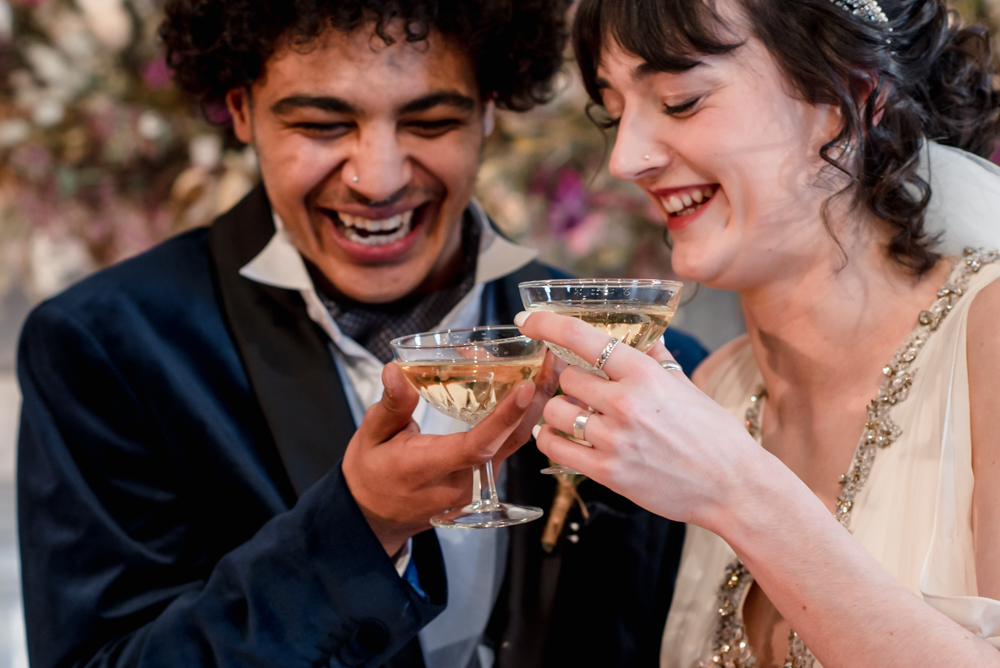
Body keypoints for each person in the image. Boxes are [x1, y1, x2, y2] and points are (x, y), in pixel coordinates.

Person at [16, 1, 708, 667]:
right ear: (241, 112)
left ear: (490, 110)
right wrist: (361, 526)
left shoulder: (643, 359)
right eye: (320, 125)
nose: (377, 180)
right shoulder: (103, 348)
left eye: (432, 121)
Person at [517, 0, 1000, 665]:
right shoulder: (716, 388)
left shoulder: (989, 338)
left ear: (851, 97)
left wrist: (738, 492)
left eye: (680, 101)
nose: (625, 158)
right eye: (613, 109)